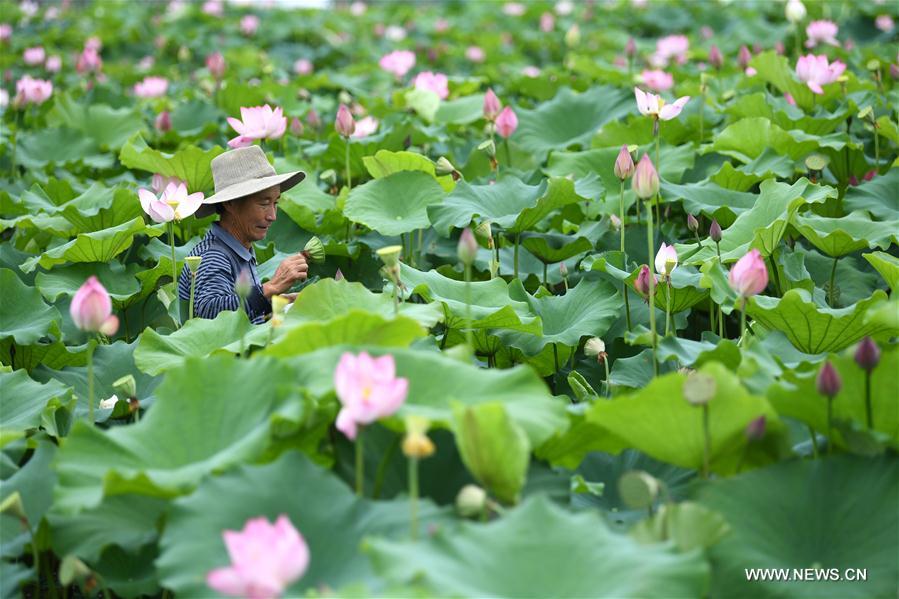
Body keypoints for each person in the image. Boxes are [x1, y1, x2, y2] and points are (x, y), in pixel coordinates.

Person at [177, 146, 309, 323]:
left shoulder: (238, 247)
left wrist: (281, 302)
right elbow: (210, 314)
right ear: (230, 203)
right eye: (264, 204)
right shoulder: (213, 256)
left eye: (275, 203)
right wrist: (272, 287)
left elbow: (243, 310)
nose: (272, 216)